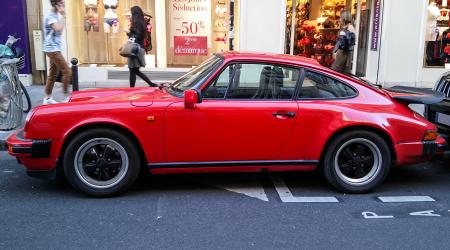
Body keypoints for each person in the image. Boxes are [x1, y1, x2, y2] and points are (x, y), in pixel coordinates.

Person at [43, 0, 71, 104]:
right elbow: (58, 29)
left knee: (53, 74)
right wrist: (64, 15)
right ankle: (66, 98)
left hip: (54, 48)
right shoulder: (51, 16)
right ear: (56, 4)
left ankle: (47, 97)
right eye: (61, 3)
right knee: (67, 71)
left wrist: (62, 16)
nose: (63, 5)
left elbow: (60, 30)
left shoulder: (55, 15)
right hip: (52, 49)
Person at [127, 6, 157, 88]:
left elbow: (138, 36)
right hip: (137, 48)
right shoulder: (140, 23)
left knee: (133, 70)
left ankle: (150, 84)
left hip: (135, 49)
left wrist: (128, 32)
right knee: (134, 70)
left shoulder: (139, 24)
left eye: (131, 14)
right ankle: (150, 84)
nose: (130, 15)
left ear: (135, 14)